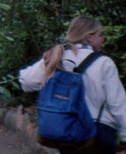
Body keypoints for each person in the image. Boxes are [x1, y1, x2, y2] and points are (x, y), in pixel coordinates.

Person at [19, 16, 126, 154]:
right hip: (98, 135)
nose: (102, 39)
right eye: (100, 35)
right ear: (89, 37)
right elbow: (118, 105)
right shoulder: (104, 63)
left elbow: (25, 81)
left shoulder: (56, 57)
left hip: (66, 131)